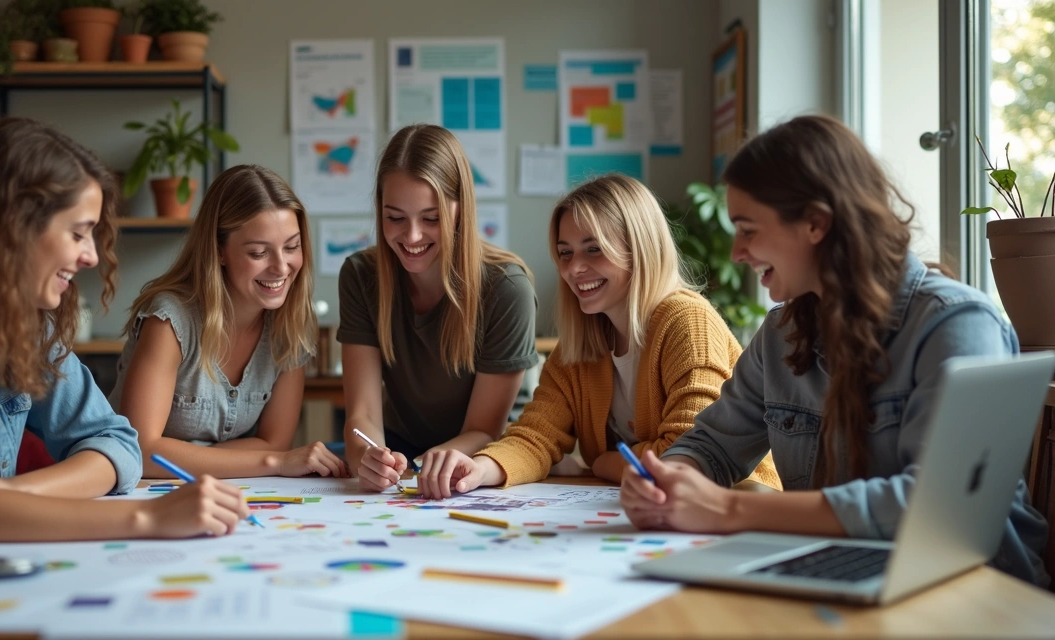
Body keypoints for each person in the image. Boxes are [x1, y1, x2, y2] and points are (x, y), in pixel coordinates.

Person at [618, 114, 1049, 587]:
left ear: (816, 224)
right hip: (839, 571)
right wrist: (666, 478)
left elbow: (937, 506)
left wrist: (729, 508)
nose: (737, 251)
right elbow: (712, 445)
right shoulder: (781, 332)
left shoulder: (958, 325)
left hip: (973, 591)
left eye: (747, 228)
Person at [0, 118, 250, 566]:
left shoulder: (23, 320)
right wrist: (147, 519)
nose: (92, 255)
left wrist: (12, 495)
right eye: (77, 233)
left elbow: (116, 442)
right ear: (11, 225)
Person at [417, 174, 780, 499]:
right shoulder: (581, 341)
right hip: (648, 509)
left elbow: (689, 455)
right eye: (565, 253)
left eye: (594, 249)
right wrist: (480, 468)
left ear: (639, 248)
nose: (574, 268)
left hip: (734, 508)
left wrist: (606, 463)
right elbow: (536, 437)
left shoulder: (687, 322)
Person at [109, 165, 346, 480]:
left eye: (291, 247)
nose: (281, 267)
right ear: (219, 251)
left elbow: (275, 442)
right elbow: (140, 451)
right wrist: (273, 462)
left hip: (229, 495)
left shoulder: (290, 326)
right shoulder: (169, 321)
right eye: (259, 252)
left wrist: (187, 454)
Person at [339, 124, 538, 492]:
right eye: (394, 218)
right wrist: (367, 458)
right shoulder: (360, 275)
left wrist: (423, 465)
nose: (411, 237)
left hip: (483, 461)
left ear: (461, 211)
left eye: (431, 219)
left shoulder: (508, 289)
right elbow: (363, 415)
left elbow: (484, 429)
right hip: (401, 454)